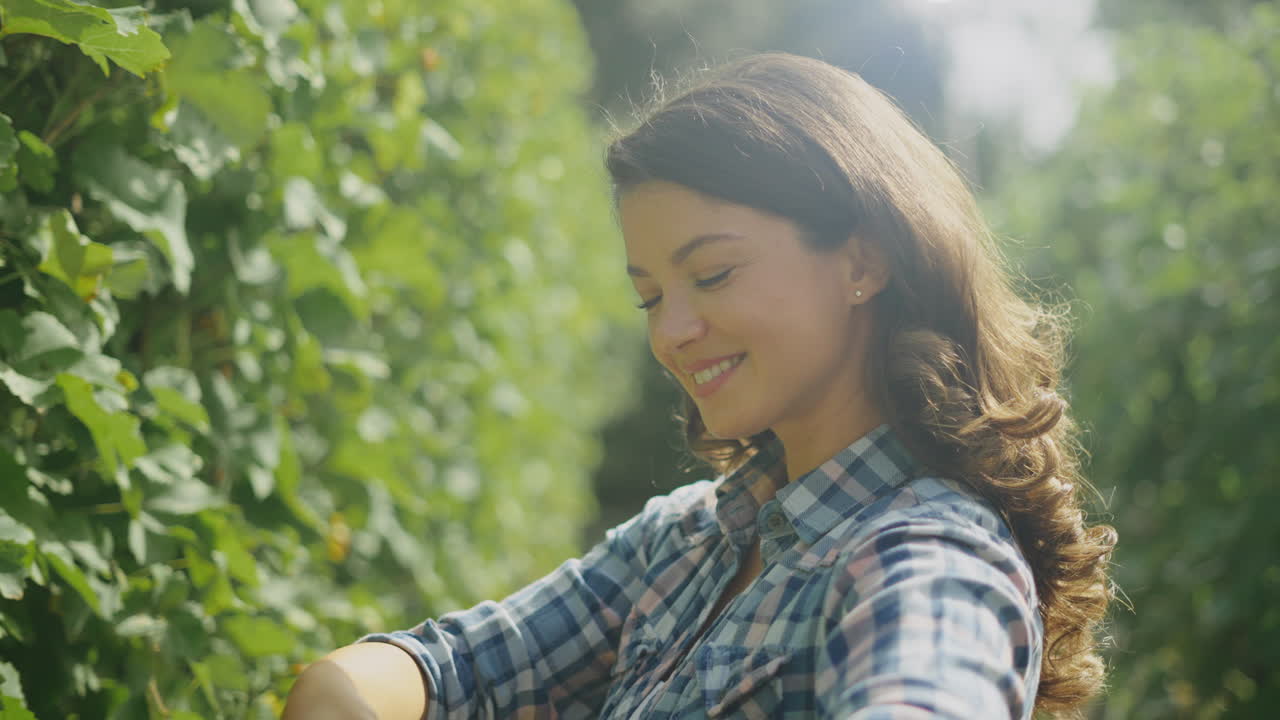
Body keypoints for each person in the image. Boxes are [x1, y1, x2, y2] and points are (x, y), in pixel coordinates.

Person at [282, 52, 1117, 719]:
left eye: (711, 275)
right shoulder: (684, 543)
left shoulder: (929, 559)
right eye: (649, 296)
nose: (670, 332)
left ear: (863, 260)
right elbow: (449, 668)